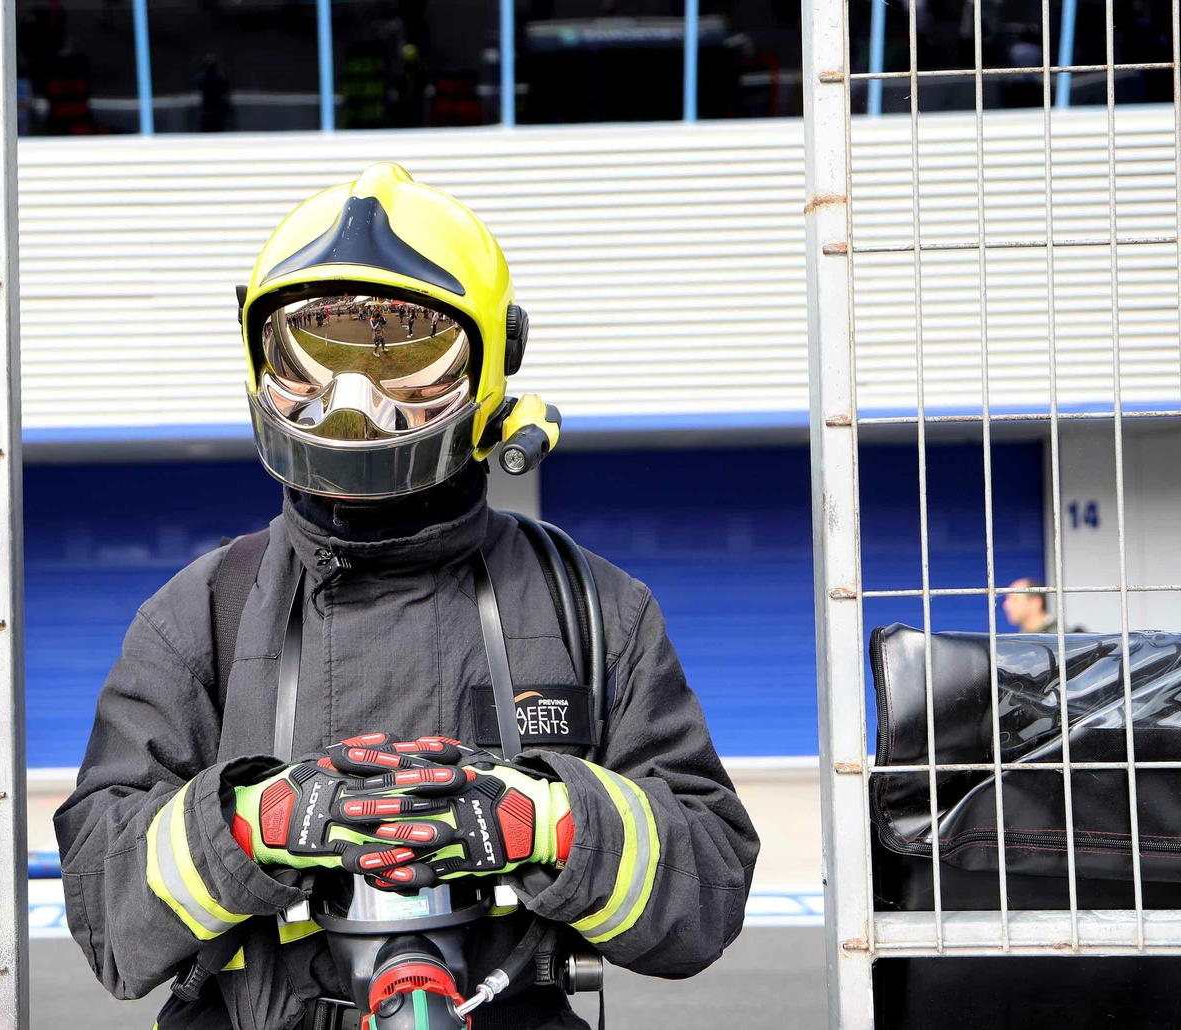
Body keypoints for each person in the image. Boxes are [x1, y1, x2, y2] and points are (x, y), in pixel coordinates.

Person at [54, 162, 758, 1030]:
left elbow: (711, 886)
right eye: (309, 359)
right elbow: (105, 917)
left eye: (407, 358)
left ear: (497, 359)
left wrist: (553, 822)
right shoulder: (202, 614)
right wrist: (248, 825)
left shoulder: (591, 609)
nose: (353, 408)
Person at [1003, 577, 1085, 634]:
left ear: (1035, 603)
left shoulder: (1058, 638)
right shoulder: (1020, 638)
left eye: (1014, 600)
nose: (1006, 605)